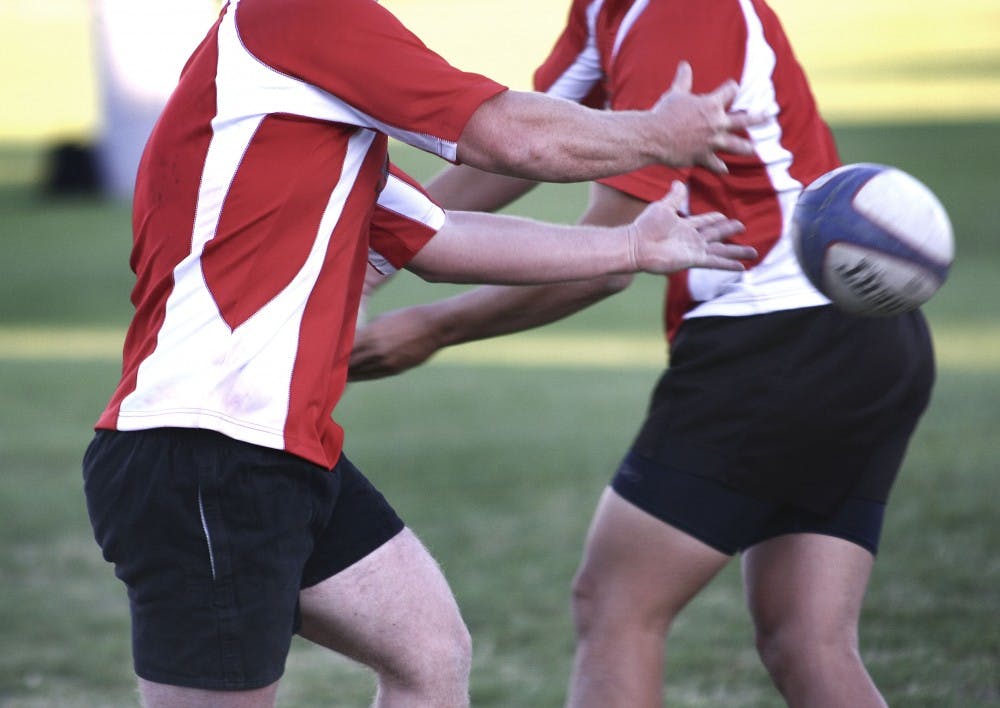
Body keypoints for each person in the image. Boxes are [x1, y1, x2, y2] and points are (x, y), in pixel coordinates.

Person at [80, 0, 763, 706]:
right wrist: (655, 133)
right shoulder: (299, 16)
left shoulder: (312, 116)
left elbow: (437, 239)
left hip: (279, 454)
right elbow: (508, 137)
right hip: (205, 452)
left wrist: (628, 247)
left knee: (430, 655)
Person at [349, 1, 936, 706]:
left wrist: (428, 329)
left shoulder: (679, 13)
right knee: (805, 639)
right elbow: (516, 149)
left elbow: (610, 257)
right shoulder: (606, 10)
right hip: (867, 343)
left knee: (617, 608)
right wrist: (370, 252)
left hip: (773, 342)